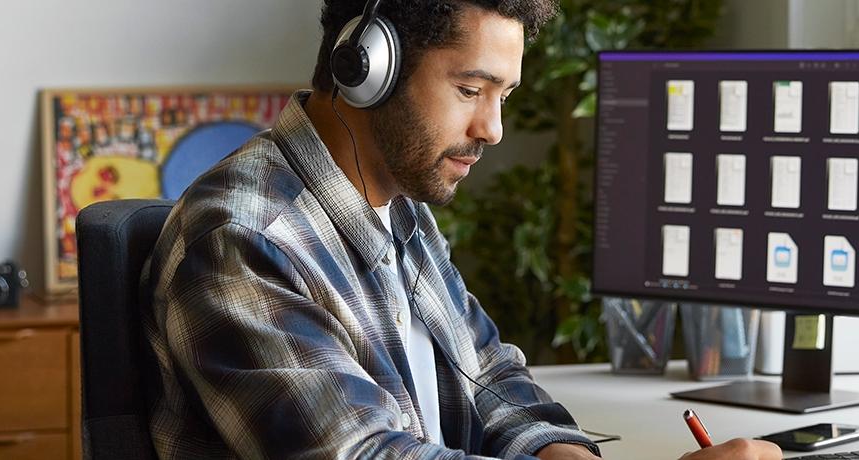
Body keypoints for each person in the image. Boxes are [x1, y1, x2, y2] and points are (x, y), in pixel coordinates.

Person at [137, 1, 780, 459]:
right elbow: (362, 454)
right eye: (471, 89)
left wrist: (562, 452)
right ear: (367, 70)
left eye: (504, 95)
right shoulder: (243, 238)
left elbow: (488, 376)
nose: (493, 129)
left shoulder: (397, 204)